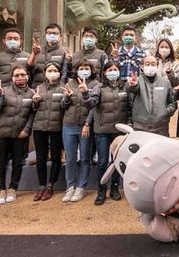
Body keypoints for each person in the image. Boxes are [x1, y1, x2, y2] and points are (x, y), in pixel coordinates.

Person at [83, 61, 129, 205]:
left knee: (116, 162)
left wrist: (129, 124)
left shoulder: (125, 87)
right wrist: (85, 94)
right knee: (103, 162)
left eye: (115, 69)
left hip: (119, 132)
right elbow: (91, 104)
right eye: (109, 70)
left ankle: (115, 188)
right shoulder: (99, 87)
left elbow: (130, 107)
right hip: (102, 130)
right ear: (104, 72)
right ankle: (101, 189)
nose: (112, 72)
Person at [0, 64, 34, 205]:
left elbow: (32, 114)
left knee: (18, 161)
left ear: (27, 76)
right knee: (1, 162)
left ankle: (13, 188)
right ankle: (0, 189)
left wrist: (26, 130)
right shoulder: (3, 91)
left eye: (22, 75)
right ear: (12, 78)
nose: (20, 78)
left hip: (19, 133)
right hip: (1, 132)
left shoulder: (32, 94)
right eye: (17, 75)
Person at [60, 59, 99, 203]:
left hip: (85, 127)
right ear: (76, 69)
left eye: (87, 68)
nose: (84, 70)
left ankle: (81, 187)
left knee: (84, 158)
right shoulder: (70, 83)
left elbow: (94, 107)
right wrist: (67, 98)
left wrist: (87, 124)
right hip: (68, 125)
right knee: (70, 158)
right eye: (81, 68)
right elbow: (63, 106)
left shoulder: (95, 85)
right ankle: (70, 186)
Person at [29, 61, 65, 201]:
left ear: (60, 72)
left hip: (57, 127)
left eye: (55, 70)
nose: (52, 73)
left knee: (56, 156)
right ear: (45, 73)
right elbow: (32, 109)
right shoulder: (38, 88)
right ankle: (41, 185)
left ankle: (51, 185)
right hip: (39, 127)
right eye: (49, 71)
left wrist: (66, 98)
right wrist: (35, 102)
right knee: (41, 157)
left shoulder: (64, 88)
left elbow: (66, 107)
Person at [127, 55, 177, 136]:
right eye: (147, 64)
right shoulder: (136, 81)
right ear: (142, 67)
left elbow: (172, 102)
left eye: (153, 64)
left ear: (157, 66)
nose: (150, 66)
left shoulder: (165, 82)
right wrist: (133, 86)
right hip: (140, 127)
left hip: (161, 127)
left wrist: (166, 112)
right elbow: (130, 90)